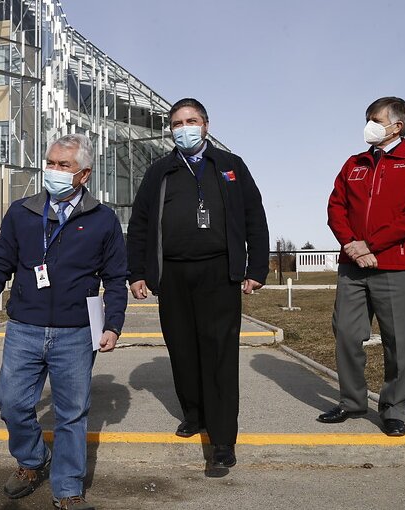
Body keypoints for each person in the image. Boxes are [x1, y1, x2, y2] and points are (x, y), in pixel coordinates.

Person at [0, 134, 127, 510]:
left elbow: (116, 278)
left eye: (64, 166)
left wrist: (113, 324)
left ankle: (68, 489)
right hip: (24, 327)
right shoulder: (22, 211)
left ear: (84, 174)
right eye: (50, 163)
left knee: (72, 413)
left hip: (76, 332)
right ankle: (33, 459)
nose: (53, 171)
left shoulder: (103, 219)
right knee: (11, 402)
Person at [126, 98, 269, 477]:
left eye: (191, 121)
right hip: (172, 275)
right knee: (183, 349)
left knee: (219, 353)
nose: (183, 127)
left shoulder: (230, 166)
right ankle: (195, 413)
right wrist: (137, 272)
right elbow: (140, 224)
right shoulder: (160, 171)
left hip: (219, 274)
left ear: (206, 125)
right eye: (176, 123)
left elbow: (254, 216)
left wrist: (256, 266)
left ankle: (222, 441)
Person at [320, 96, 405, 436]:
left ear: (397, 125)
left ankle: (394, 409)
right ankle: (352, 401)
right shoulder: (354, 163)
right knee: (345, 332)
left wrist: (372, 244)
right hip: (354, 265)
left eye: (375, 119)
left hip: (396, 266)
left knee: (397, 341)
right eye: (368, 118)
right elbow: (335, 208)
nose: (369, 125)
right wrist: (353, 247)